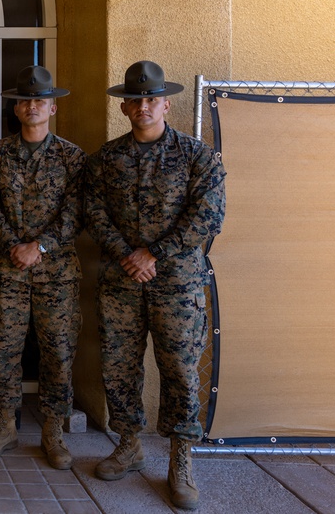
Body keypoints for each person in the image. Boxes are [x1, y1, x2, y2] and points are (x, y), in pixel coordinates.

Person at [85, 61, 225, 510]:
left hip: (177, 284)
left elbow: (208, 216)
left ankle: (181, 459)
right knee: (119, 365)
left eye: (151, 99)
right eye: (135, 100)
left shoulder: (197, 156)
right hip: (121, 281)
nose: (143, 106)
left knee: (180, 369)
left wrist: (154, 254)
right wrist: (127, 254)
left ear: (166, 104)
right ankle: (128, 444)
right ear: (124, 107)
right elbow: (93, 212)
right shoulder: (106, 158)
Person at [0, 66, 86, 468]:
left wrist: (39, 246)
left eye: (40, 100)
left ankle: (53, 433)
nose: (32, 106)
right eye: (25, 101)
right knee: (4, 349)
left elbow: (76, 212)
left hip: (57, 276)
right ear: (16, 108)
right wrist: (13, 246)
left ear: (52, 108)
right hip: (9, 272)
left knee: (58, 351)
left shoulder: (72, 157)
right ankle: (4, 426)